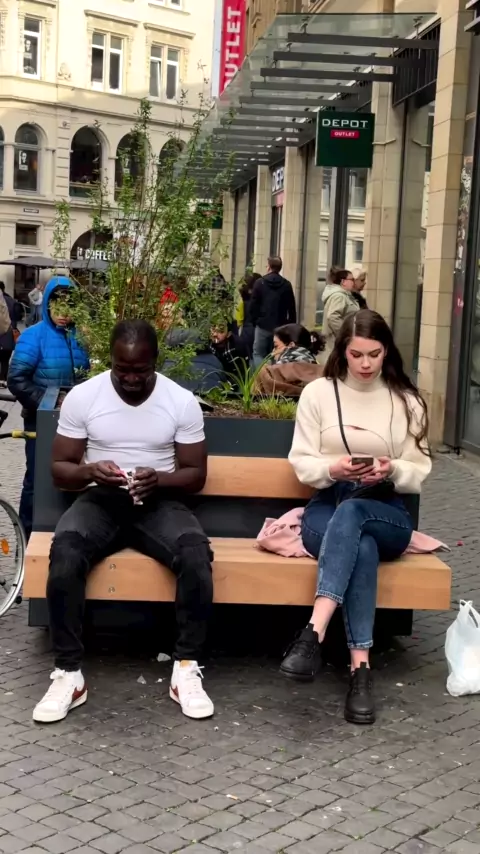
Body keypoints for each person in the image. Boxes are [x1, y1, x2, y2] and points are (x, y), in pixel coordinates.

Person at [32, 319, 214, 724]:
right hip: (102, 500)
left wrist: (160, 479)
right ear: (110, 361)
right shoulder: (84, 397)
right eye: (122, 369)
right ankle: (68, 674)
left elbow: (196, 475)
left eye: (141, 370)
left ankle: (186, 668)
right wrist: (90, 471)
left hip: (158, 502)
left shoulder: (180, 401)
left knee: (195, 553)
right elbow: (60, 469)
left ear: (156, 362)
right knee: (65, 550)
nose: (131, 378)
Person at [281, 309, 432, 724]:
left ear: (387, 351)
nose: (366, 364)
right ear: (342, 351)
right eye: (356, 354)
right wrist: (333, 469)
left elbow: (419, 469)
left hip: (385, 507)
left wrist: (391, 468)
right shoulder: (318, 394)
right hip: (328, 503)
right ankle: (360, 670)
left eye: (374, 354)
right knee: (359, 543)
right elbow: (301, 461)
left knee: (357, 516)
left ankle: (313, 633)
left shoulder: (407, 401)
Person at [7, 276, 89, 541]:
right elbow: (16, 379)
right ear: (47, 305)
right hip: (39, 421)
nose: (63, 313)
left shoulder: (82, 338)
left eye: (69, 307)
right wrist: (48, 403)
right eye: (57, 306)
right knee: (36, 477)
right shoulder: (33, 336)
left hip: (75, 424)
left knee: (71, 476)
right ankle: (27, 534)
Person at [250, 257, 297, 366]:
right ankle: (275, 374)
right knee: (278, 353)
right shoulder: (286, 284)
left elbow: (253, 306)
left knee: (258, 353)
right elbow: (291, 308)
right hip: (280, 326)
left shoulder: (259, 283)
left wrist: (255, 321)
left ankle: (262, 374)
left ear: (269, 267)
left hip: (262, 325)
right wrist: (290, 326)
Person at [322, 268, 358, 357]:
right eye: (352, 279)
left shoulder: (344, 295)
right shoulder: (339, 296)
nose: (353, 282)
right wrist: (346, 334)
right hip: (338, 343)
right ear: (343, 281)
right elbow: (333, 317)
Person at [235, 272, 261, 355]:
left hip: (246, 332)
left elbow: (239, 321)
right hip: (260, 332)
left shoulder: (242, 302)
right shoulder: (263, 302)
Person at [0, 283, 17, 383]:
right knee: (5, 359)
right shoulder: (11, 301)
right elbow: (17, 316)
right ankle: (3, 378)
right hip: (8, 334)